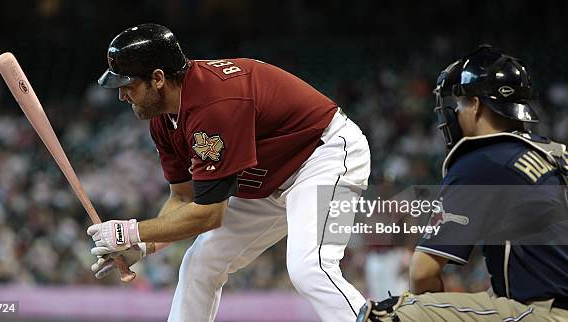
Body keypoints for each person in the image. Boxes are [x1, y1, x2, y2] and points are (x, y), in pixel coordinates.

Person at [86, 23, 371, 322]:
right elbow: (182, 199)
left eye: (128, 85)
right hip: (266, 179)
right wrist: (141, 245)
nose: (121, 96)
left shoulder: (214, 104)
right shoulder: (164, 120)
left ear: (158, 78)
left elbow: (209, 215)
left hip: (323, 155)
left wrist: (128, 231)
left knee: (310, 267)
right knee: (200, 263)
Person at [357, 45, 568, 322]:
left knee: (385, 314)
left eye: (459, 102)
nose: (455, 111)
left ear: (477, 105)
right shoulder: (555, 152)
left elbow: (422, 273)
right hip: (548, 304)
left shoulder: (484, 157)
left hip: (544, 313)